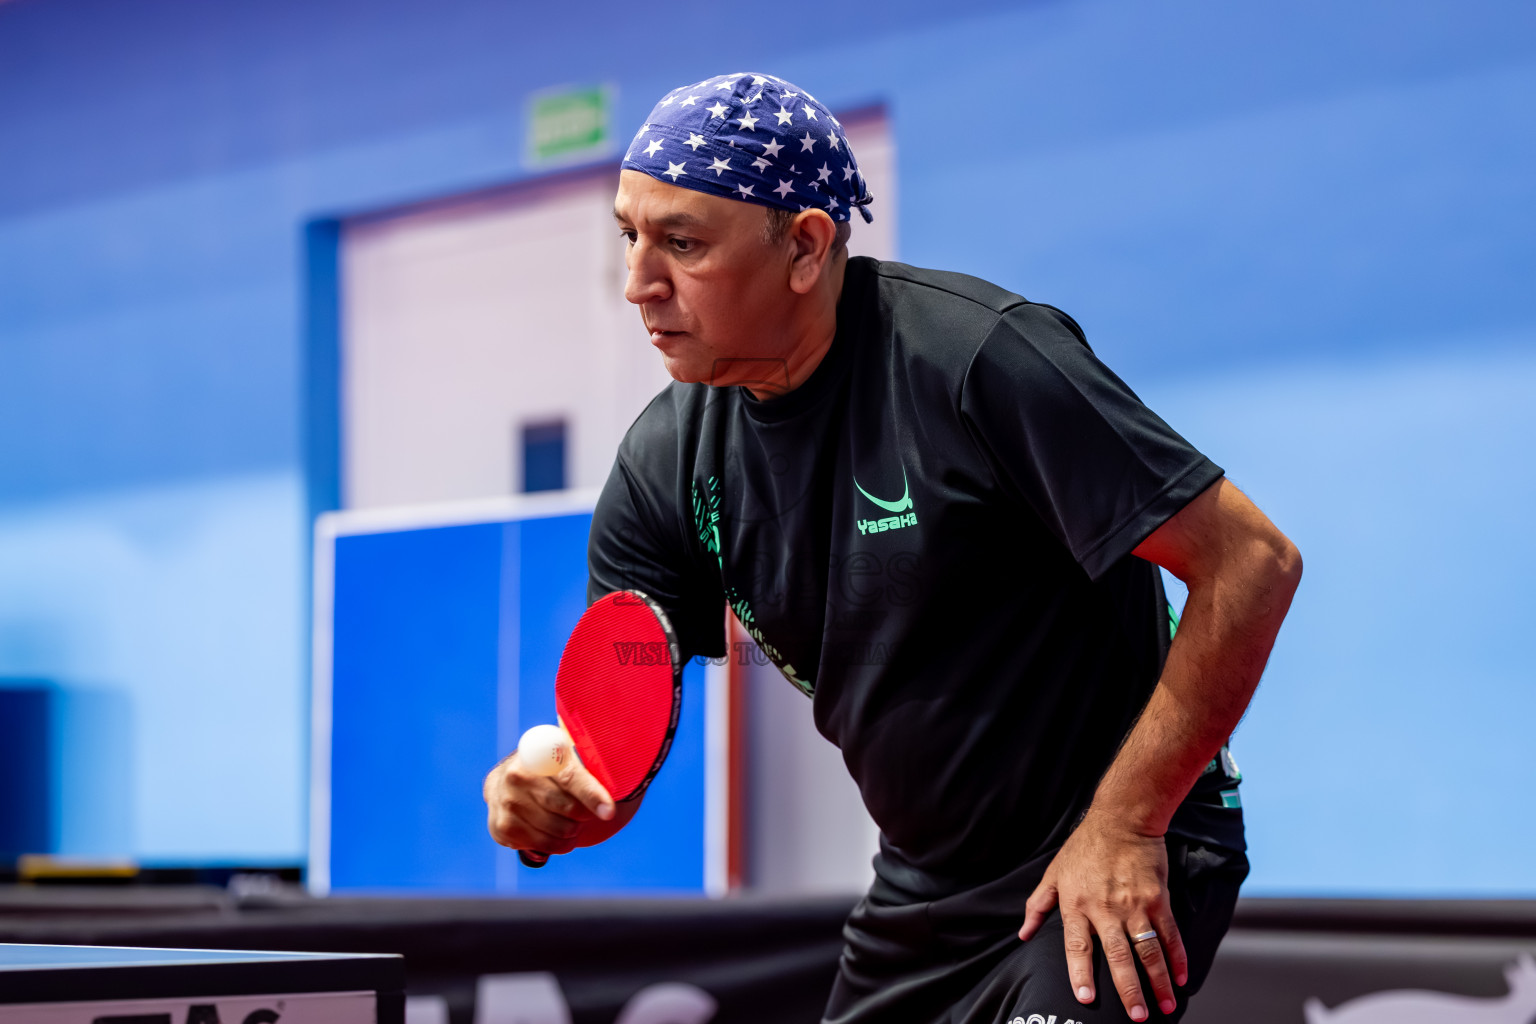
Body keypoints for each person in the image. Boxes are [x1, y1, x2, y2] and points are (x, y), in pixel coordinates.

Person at [484, 72, 1301, 1024]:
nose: (638, 284)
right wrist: (553, 791)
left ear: (804, 245)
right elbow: (610, 755)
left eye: (682, 242)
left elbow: (1250, 561)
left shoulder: (977, 360)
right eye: (630, 235)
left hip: (1118, 840)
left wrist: (1126, 823)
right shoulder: (664, 463)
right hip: (925, 888)